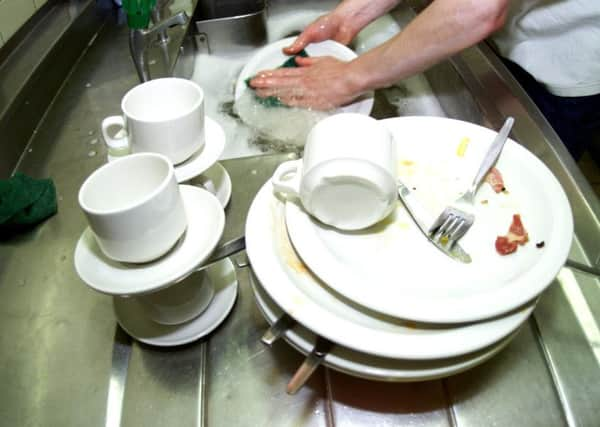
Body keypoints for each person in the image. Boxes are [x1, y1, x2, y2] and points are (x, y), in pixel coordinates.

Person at [249, 0, 600, 161]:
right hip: (515, 28)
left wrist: (349, 77)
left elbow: (477, 7)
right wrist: (352, 15)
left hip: (566, 61)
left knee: (522, 175)